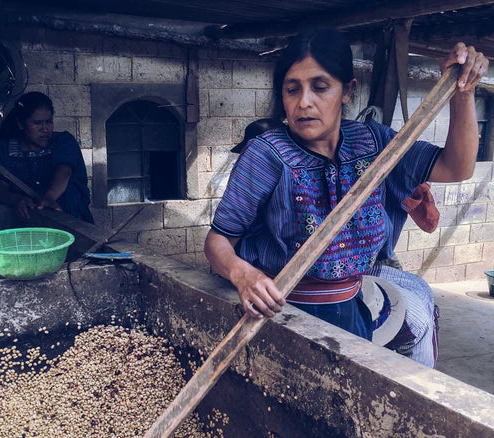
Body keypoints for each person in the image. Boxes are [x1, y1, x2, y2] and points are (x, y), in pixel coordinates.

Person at [205, 29, 488, 343]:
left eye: (320, 87)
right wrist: (243, 274)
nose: (304, 102)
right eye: (292, 89)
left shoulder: (375, 143)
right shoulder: (266, 154)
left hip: (351, 310)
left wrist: (462, 92)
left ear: (348, 91)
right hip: (278, 315)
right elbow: (218, 242)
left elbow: (456, 167)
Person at [0, 92, 93, 223]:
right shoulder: (5, 149)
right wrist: (14, 199)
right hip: (28, 225)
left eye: (49, 122)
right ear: (21, 124)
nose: (45, 129)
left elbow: (64, 170)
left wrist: (50, 197)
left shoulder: (63, 141)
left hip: (73, 220)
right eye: (37, 123)